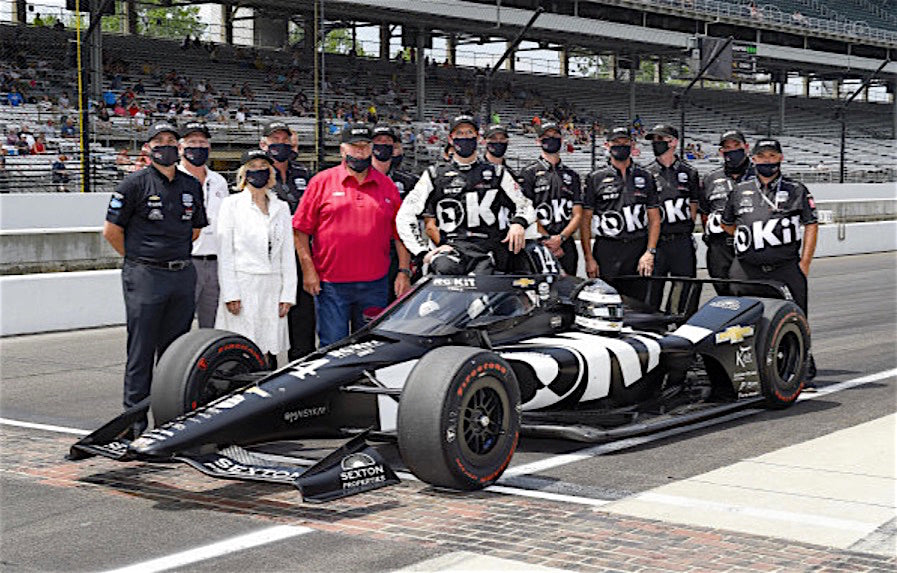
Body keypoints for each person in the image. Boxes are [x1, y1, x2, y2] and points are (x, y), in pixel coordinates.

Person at [102, 123, 208, 436]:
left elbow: (196, 229)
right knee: (141, 350)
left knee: (175, 353)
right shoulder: (133, 184)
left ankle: (171, 421)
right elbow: (111, 232)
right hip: (145, 274)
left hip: (181, 273)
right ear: (148, 148)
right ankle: (134, 423)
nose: (166, 146)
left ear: (179, 147)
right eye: (159, 141)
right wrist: (138, 259)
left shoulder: (190, 185)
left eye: (171, 141)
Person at [293, 123, 411, 347]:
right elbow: (300, 230)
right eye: (354, 147)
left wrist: (403, 272)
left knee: (369, 347)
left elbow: (401, 234)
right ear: (342, 150)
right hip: (332, 284)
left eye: (365, 147)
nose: (360, 152)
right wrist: (308, 270)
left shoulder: (387, 185)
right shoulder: (322, 181)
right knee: (332, 346)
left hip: (375, 284)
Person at [721, 138, 818, 386]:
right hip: (746, 269)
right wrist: (753, 240)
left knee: (795, 319)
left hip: (785, 268)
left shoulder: (797, 189)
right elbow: (727, 223)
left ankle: (801, 371)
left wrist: (804, 263)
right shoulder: (740, 190)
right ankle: (747, 373)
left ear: (781, 158)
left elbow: (811, 224)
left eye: (772, 156)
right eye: (762, 157)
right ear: (753, 159)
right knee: (743, 321)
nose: (767, 161)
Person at [396, 114, 535, 276]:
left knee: (484, 293)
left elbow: (525, 205)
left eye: (469, 133)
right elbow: (405, 215)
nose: (465, 137)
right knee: (444, 276)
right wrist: (421, 251)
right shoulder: (434, 175)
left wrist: (519, 223)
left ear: (478, 138)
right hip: (453, 249)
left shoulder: (497, 173)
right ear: (450, 138)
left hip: (487, 250)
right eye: (459, 133)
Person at [216, 150, 296, 368]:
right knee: (242, 347)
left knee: (271, 348)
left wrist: (288, 294)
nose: (258, 170)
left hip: (273, 287)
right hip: (244, 286)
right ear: (244, 172)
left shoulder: (281, 207)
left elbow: (288, 252)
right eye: (253, 166)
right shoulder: (231, 205)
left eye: (263, 166)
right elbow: (225, 253)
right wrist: (230, 292)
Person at [580, 127, 660, 298]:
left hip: (637, 247)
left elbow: (654, 218)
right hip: (607, 248)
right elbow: (585, 221)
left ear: (632, 145)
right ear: (607, 145)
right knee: (606, 301)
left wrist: (649, 252)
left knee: (639, 303)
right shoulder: (595, 177)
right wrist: (589, 258)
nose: (621, 146)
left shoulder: (645, 176)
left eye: (625, 142)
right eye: (616, 142)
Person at [259, 121, 315, 361]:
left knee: (303, 323)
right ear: (263, 144)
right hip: (268, 259)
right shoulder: (256, 173)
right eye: (274, 140)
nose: (280, 145)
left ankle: (303, 377)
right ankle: (264, 377)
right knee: (267, 322)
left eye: (285, 140)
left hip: (301, 257)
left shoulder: (303, 174)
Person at [178, 122, 229, 328]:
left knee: (212, 325)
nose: (197, 147)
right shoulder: (174, 179)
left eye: (202, 142)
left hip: (216, 262)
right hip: (186, 262)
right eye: (192, 142)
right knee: (178, 323)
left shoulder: (219, 181)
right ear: (180, 147)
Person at [518, 120, 583, 276]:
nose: (551, 138)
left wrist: (560, 238)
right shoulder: (528, 173)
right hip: (538, 243)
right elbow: (526, 210)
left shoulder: (572, 175)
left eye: (555, 135)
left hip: (566, 243)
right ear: (538, 140)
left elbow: (578, 213)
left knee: (568, 290)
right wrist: (548, 240)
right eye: (546, 136)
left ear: (561, 139)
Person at [699, 129, 756, 294]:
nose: (732, 150)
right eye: (727, 147)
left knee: (748, 292)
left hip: (750, 245)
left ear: (746, 147)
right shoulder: (711, 178)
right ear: (721, 151)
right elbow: (704, 212)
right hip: (720, 246)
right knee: (724, 293)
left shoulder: (758, 175)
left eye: (736, 145)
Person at [644, 124, 700, 281]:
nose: (656, 143)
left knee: (683, 290)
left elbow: (693, 206)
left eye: (660, 139)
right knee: (652, 290)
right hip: (656, 242)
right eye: (654, 140)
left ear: (673, 142)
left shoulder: (690, 172)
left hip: (682, 241)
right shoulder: (646, 173)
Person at [371, 124, 419, 301]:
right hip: (368, 251)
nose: (383, 145)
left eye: (388, 141)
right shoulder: (358, 177)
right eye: (378, 141)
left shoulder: (408, 181)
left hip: (398, 252)